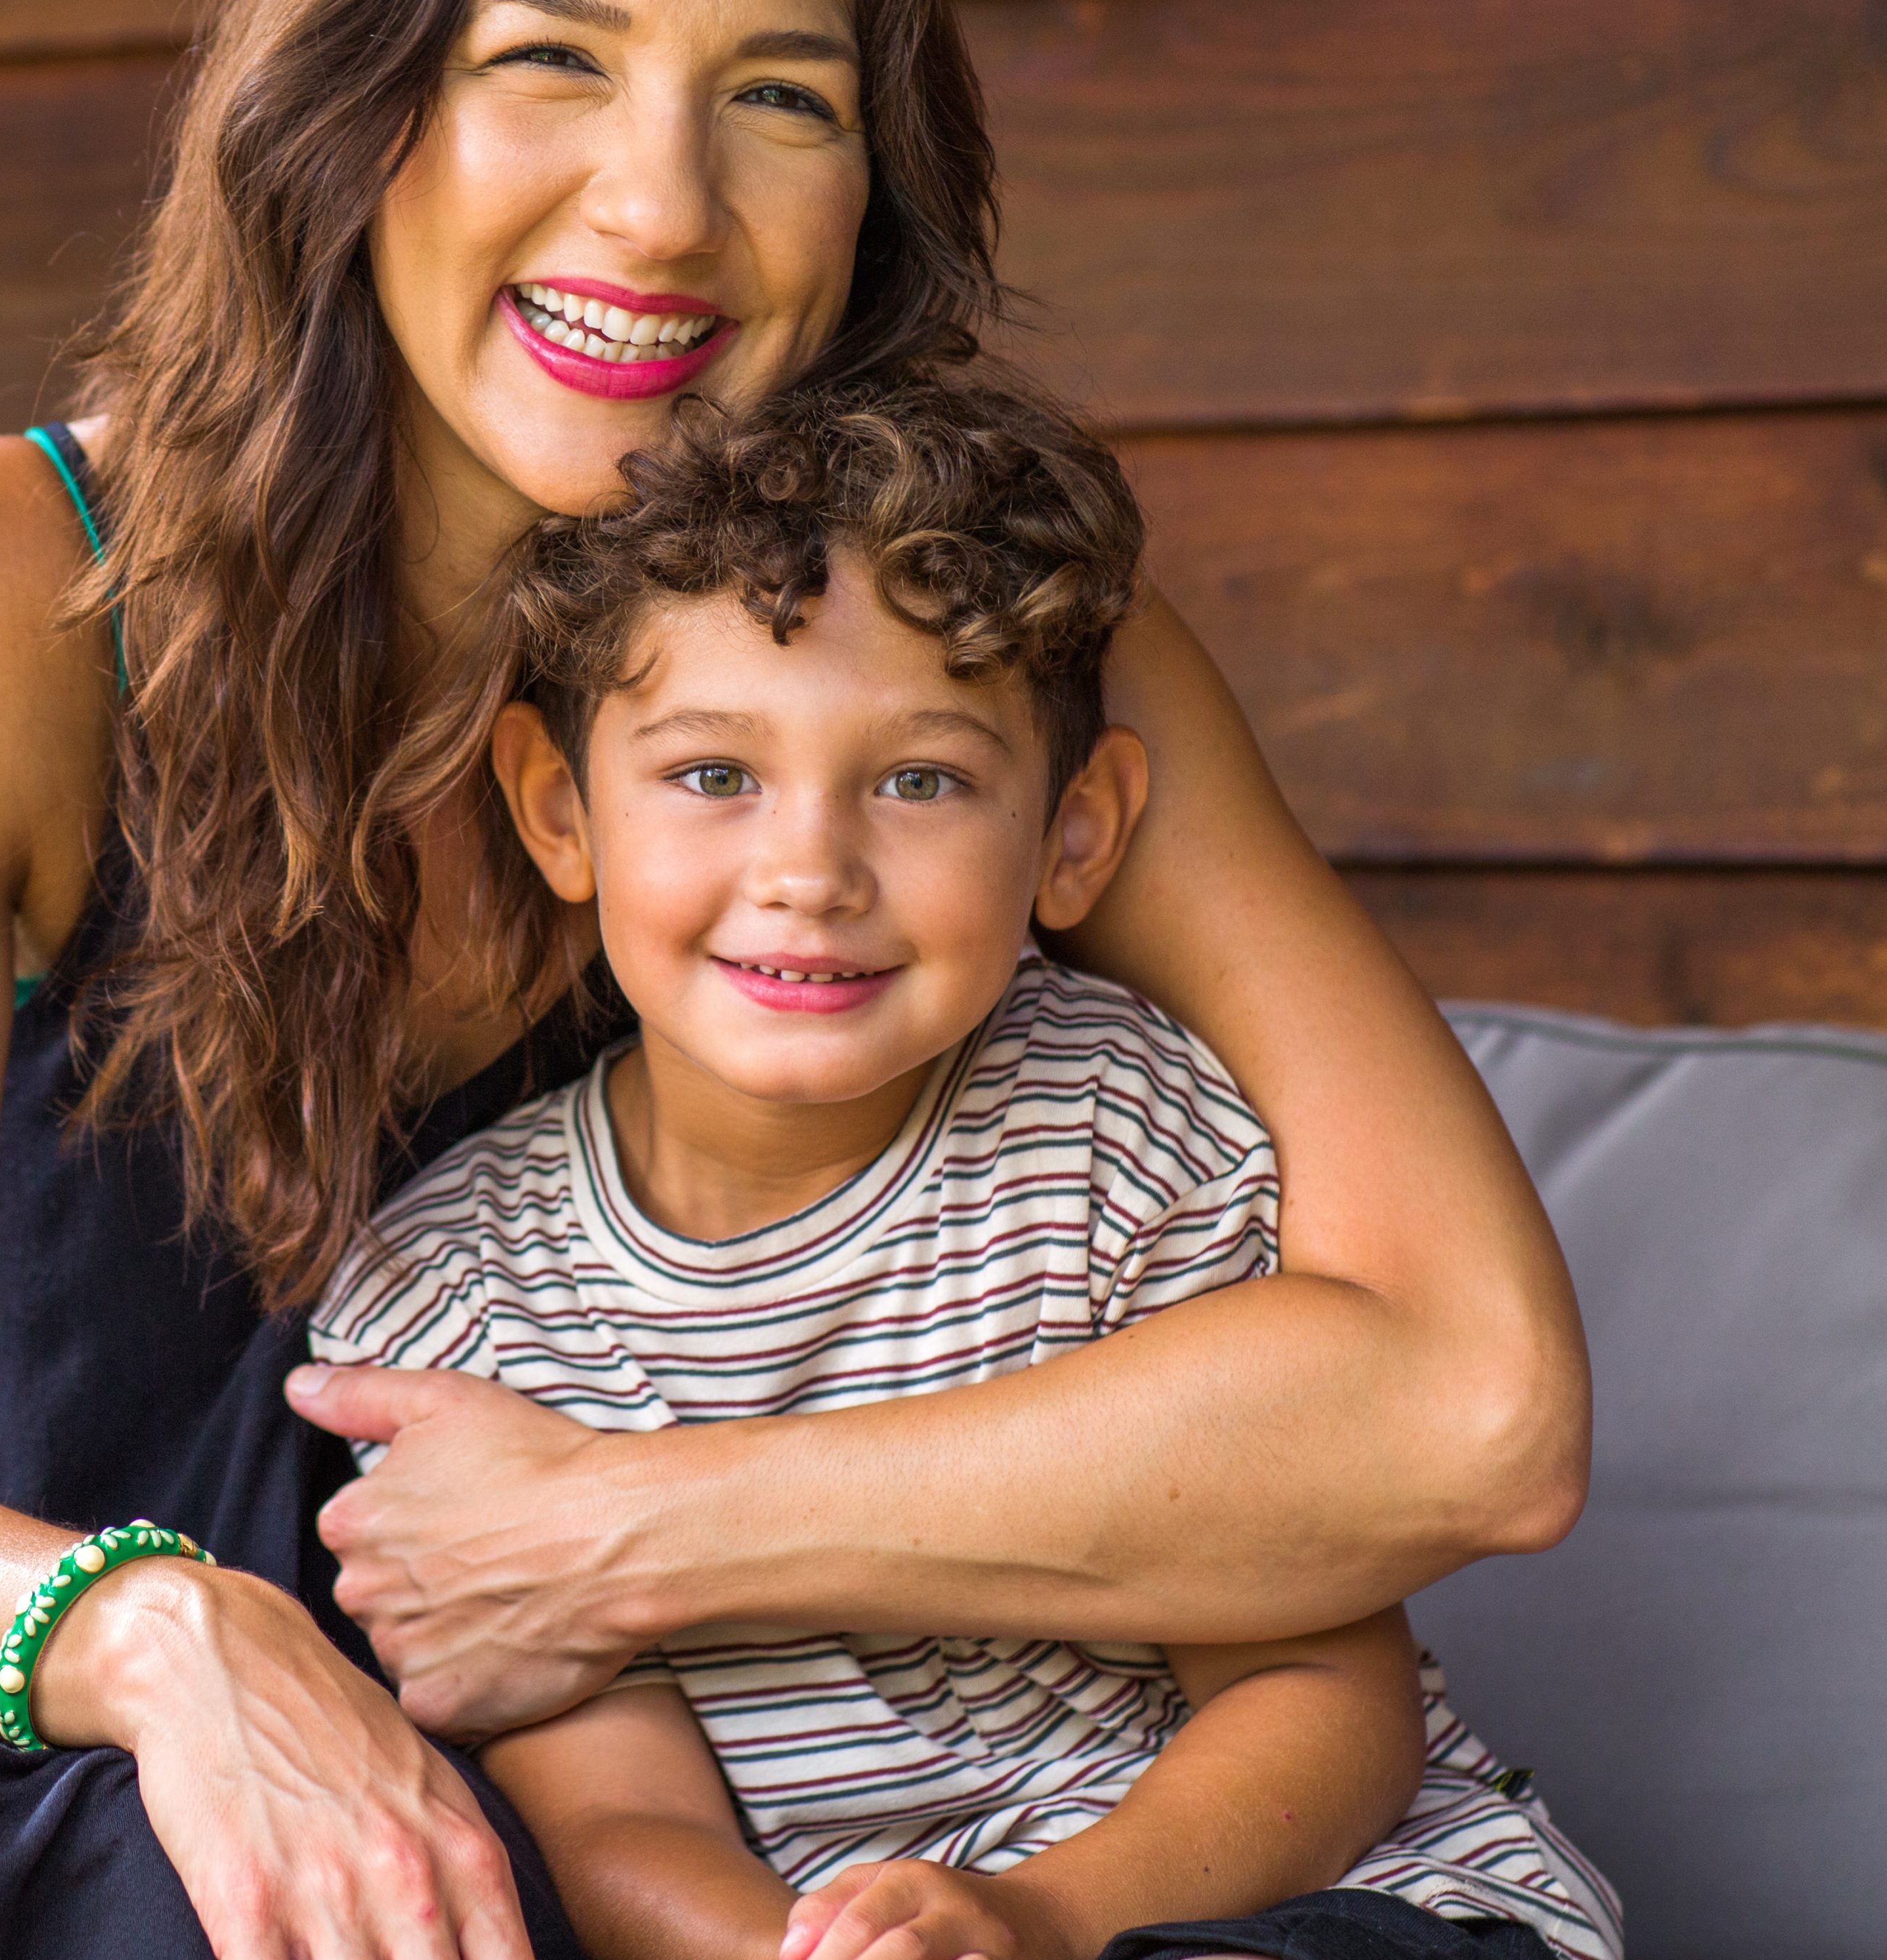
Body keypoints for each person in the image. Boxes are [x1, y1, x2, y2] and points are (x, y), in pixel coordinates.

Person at [0, 0, 1587, 1960]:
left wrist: (644, 1529)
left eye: (781, 97)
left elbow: (1476, 1402)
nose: (658, 207)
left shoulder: (991, 659)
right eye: (549, 62)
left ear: (875, 185)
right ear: (354, 104)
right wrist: (173, 1638)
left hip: (577, 1855)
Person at [311, 368, 1620, 1960]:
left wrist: (1038, 1917)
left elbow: (1318, 1700)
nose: (809, 870)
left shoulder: (1124, 1134)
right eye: (712, 774)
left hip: (1300, 1900)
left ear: (1075, 833)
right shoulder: (458, 1294)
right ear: (556, 808)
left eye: (920, 778)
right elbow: (615, 1821)